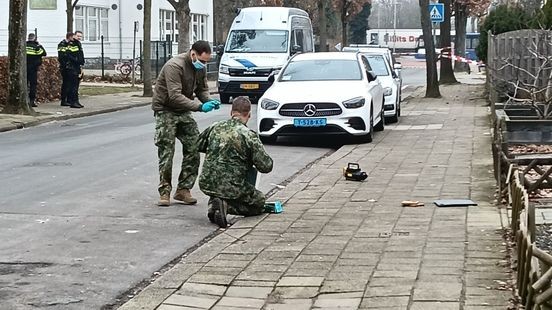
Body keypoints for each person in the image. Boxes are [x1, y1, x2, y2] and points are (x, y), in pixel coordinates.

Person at [152, 40, 221, 207]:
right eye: (202, 60)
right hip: (166, 110)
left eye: (206, 61)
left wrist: (209, 101)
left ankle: (183, 190)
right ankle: (165, 191)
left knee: (194, 147)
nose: (204, 64)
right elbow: (174, 95)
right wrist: (199, 106)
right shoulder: (174, 66)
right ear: (193, 54)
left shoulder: (200, 68)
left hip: (183, 111)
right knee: (167, 152)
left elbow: (202, 89)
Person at [198, 96, 273, 228]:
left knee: (221, 191)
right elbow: (266, 166)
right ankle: (227, 206)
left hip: (207, 182)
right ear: (249, 115)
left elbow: (198, 145)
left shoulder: (215, 127)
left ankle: (216, 204)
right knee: (259, 202)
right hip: (233, 186)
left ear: (231, 113)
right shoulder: (248, 135)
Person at [26, 33, 47, 108]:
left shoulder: (24, 45)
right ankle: (32, 101)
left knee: (25, 84)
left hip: (25, 68)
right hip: (33, 68)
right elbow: (44, 53)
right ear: (35, 38)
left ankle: (25, 99)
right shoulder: (36, 47)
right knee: (33, 85)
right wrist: (39, 45)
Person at [57, 32, 72, 106]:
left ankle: (68, 99)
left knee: (69, 83)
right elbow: (62, 56)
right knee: (66, 84)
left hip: (68, 66)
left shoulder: (69, 44)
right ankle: (63, 100)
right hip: (65, 67)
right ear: (69, 37)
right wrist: (65, 65)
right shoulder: (62, 44)